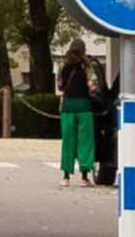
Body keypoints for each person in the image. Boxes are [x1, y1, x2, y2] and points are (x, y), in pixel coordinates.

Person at [54, 44, 100, 181]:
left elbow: (60, 86)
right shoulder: (86, 67)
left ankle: (66, 176)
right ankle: (84, 176)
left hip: (68, 108)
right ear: (83, 51)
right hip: (84, 108)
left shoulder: (62, 66)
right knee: (85, 141)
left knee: (68, 141)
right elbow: (92, 86)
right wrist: (96, 90)